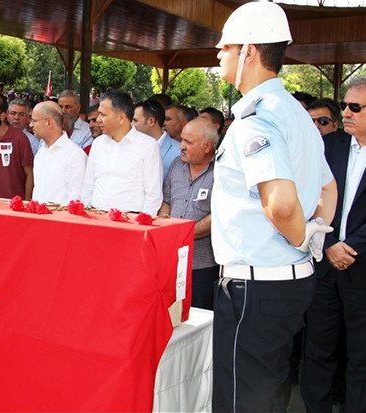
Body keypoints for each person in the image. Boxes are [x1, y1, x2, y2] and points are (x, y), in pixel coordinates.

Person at [211, 3, 337, 412]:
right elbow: (328, 188)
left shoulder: (256, 120)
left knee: (240, 400)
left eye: (225, 47)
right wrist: (311, 237)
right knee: (269, 394)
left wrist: (301, 235)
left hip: (256, 287)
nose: (218, 54)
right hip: (288, 280)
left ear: (248, 52)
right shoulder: (296, 115)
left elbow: (280, 204)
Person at [301, 76, 366, 413]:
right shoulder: (332, 146)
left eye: (355, 107)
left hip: (361, 265)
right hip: (325, 263)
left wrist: (350, 245)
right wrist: (327, 242)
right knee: (319, 348)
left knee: (360, 355)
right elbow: (312, 195)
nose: (347, 113)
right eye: (345, 105)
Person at [158, 117, 218, 310]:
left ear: (207, 146)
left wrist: (183, 233)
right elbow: (167, 200)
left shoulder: (222, 172)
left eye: (188, 142)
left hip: (203, 265)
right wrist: (166, 225)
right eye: (181, 140)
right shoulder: (177, 165)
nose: (181, 146)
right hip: (172, 260)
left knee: (199, 318)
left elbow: (219, 215)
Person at [81, 90, 162, 216]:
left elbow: (153, 193)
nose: (98, 119)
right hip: (96, 216)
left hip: (130, 220)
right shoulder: (98, 144)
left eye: (103, 114)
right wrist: (84, 214)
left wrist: (143, 223)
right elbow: (88, 185)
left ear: (121, 118)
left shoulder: (148, 146)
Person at [0, 93, 34, 199]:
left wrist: (26, 203)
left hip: (13, 207)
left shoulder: (19, 139)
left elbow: (29, 174)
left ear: (3, 115)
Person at [31, 101, 86, 204]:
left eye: (34, 121)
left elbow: (76, 195)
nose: (30, 124)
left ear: (49, 122)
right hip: (38, 216)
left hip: (60, 218)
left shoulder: (74, 154)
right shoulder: (41, 151)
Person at [132, 99, 178, 181]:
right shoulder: (132, 147)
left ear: (151, 121)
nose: (132, 125)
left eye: (135, 121)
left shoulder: (178, 152)